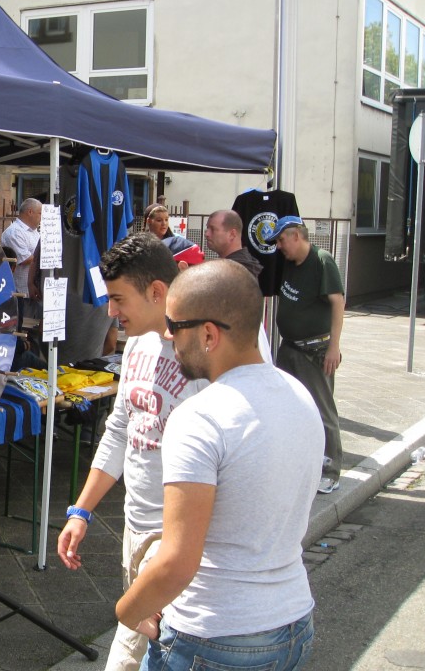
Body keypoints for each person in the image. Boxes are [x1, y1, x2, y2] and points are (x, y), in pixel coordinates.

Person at [115, 259, 322, 670]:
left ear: (208, 334)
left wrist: (126, 611)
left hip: (213, 636)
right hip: (294, 623)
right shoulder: (298, 395)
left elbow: (177, 561)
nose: (168, 334)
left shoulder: (199, 417)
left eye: (174, 324)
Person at [57, 232, 207, 671]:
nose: (111, 312)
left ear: (157, 292)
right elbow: (120, 429)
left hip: (177, 544)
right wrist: (80, 512)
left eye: (119, 299)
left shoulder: (203, 357)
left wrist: (179, 556)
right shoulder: (138, 343)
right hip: (134, 531)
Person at [267, 215, 345, 494]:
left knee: (322, 410)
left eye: (280, 239)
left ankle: (331, 470)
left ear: (295, 236)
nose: (278, 246)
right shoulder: (289, 263)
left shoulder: (322, 261)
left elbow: (338, 302)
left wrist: (334, 347)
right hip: (290, 348)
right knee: (288, 407)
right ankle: (298, 463)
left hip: (316, 349)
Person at [203, 209, 263, 278]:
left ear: (232, 234)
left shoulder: (239, 272)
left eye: (213, 229)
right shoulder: (230, 266)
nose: (206, 233)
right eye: (207, 228)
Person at [1, 198, 42, 297]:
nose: (42, 217)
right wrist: (46, 256)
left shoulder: (35, 232)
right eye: (40, 213)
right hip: (21, 291)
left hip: (35, 289)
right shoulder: (14, 232)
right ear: (30, 212)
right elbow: (25, 259)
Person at [143, 203, 204, 268]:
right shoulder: (141, 242)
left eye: (166, 219)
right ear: (149, 221)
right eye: (159, 220)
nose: (164, 223)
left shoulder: (178, 242)